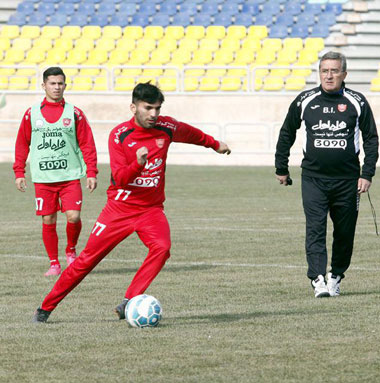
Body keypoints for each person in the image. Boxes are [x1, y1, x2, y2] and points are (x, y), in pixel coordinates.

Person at [32, 82, 231, 323]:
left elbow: (190, 133)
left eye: (157, 108)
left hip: (151, 210)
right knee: (86, 261)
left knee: (162, 248)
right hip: (119, 209)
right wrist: (138, 163)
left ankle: (129, 301)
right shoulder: (120, 135)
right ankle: (45, 308)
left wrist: (214, 143)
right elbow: (120, 179)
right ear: (133, 107)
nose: (154, 114)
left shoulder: (166, 127)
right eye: (148, 108)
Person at [274, 51, 379, 298]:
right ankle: (318, 279)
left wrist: (367, 173)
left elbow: (371, 138)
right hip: (313, 179)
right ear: (319, 73)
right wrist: (281, 167)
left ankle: (336, 276)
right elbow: (286, 133)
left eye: (334, 71)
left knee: (344, 232)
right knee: (315, 228)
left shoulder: (357, 101)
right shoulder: (305, 100)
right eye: (324, 71)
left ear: (344, 74)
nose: (329, 75)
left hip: (348, 181)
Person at [13, 67, 98, 276]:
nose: (56, 87)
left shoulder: (74, 113)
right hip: (43, 178)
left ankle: (71, 251)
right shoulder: (31, 114)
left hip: (69, 176)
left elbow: (87, 143)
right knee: (48, 220)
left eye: (60, 83)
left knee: (74, 216)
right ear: (44, 86)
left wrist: (91, 172)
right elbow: (22, 143)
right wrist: (19, 172)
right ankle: (54, 263)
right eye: (52, 83)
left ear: (65, 85)